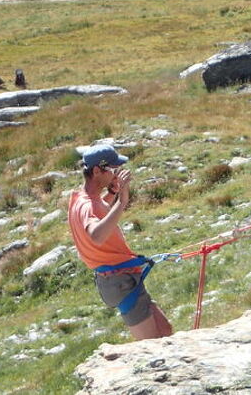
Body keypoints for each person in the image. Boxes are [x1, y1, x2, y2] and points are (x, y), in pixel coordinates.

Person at [67, 144, 172, 340]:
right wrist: (123, 201)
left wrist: (113, 192)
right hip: (119, 281)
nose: (116, 174)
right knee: (153, 344)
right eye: (113, 170)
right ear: (97, 171)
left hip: (120, 278)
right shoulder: (87, 204)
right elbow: (96, 235)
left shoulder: (83, 199)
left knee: (165, 329)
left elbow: (99, 208)